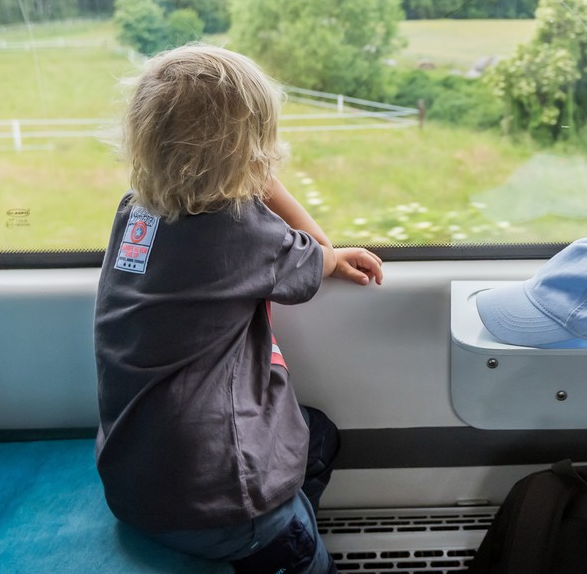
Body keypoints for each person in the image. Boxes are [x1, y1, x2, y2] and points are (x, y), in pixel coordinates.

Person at [94, 43, 383, 574]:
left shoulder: (136, 211)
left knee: (317, 435)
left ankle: (283, 520)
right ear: (251, 151)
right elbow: (315, 251)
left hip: (135, 477)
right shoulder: (239, 231)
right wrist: (266, 180)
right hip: (221, 502)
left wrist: (238, 164)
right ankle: (279, 539)